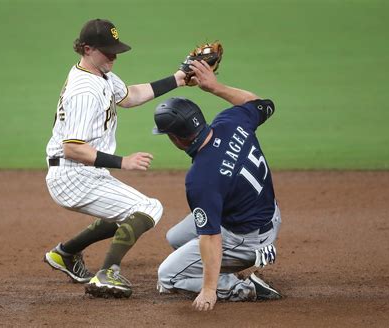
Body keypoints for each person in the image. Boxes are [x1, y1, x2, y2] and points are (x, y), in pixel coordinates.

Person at [43, 18, 186, 298]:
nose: (114, 55)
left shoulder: (101, 74)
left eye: (115, 49)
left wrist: (178, 79)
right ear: (86, 49)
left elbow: (130, 96)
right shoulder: (84, 90)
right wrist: (124, 162)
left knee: (128, 212)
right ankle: (107, 273)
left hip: (84, 171)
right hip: (73, 173)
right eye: (107, 50)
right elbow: (73, 147)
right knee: (148, 208)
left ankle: (66, 254)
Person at [154, 59, 282, 311]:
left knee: (167, 276)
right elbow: (261, 104)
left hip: (247, 237)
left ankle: (242, 287)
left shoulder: (201, 177)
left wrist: (209, 289)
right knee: (176, 237)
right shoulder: (230, 121)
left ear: (176, 139)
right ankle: (243, 258)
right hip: (267, 213)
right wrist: (214, 86)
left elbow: (211, 236)